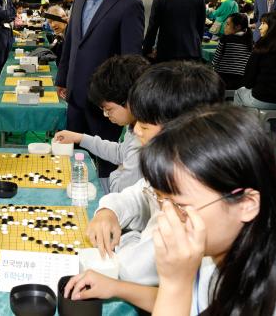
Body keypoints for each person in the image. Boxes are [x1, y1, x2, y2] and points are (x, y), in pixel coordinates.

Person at [64, 105, 276, 316]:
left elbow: (179, 296)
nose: (163, 220)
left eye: (180, 206)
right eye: (160, 199)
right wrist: (116, 288)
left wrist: (174, 282)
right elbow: (190, 304)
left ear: (246, 204)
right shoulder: (216, 253)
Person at [71, 61, 225, 287]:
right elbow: (138, 193)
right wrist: (109, 211)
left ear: (181, 127)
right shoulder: (174, 164)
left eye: (144, 125)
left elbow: (134, 271)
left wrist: (128, 237)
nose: (135, 131)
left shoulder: (192, 196)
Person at [55, 0, 144, 183]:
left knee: (106, 161)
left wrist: (122, 99)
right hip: (75, 94)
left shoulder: (129, 4)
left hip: (107, 102)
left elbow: (131, 59)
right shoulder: (81, 0)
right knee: (73, 157)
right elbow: (71, 43)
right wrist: (62, 79)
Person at [54, 55, 150, 193]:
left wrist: (119, 170)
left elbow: (118, 188)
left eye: (109, 109)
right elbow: (119, 153)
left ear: (131, 100)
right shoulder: (135, 125)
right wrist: (80, 138)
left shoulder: (141, 140)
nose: (106, 115)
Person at [234, 17, 276, 110]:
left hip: (262, 98)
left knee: (239, 92)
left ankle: (241, 124)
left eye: (263, 24)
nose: (259, 27)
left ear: (273, 27)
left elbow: (248, 80)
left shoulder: (261, 47)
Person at [211, 12, 253, 90]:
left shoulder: (225, 39)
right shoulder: (250, 41)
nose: (224, 26)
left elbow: (215, 61)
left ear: (238, 27)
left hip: (223, 80)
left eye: (227, 24)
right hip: (242, 83)